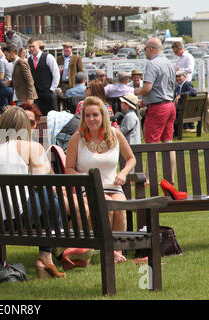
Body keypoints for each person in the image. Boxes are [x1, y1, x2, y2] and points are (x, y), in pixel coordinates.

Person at [0, 107, 66, 279]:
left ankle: (48, 255)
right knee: (50, 197)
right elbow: (42, 181)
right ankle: (51, 249)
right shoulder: (31, 147)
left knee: (46, 199)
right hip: (17, 220)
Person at [65, 96, 136, 264]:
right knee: (108, 207)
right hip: (89, 187)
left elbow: (131, 158)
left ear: (103, 115)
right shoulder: (77, 138)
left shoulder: (115, 134)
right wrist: (82, 178)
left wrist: (123, 173)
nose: (91, 119)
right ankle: (107, 249)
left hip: (113, 186)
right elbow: (68, 168)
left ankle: (117, 250)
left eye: (95, 115)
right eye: (87, 115)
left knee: (120, 208)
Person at [134, 37, 176, 182]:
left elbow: (147, 88)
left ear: (151, 49)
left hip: (158, 108)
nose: (144, 52)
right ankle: (170, 178)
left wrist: (134, 92)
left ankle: (149, 179)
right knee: (168, 142)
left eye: (145, 49)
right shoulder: (168, 63)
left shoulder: (152, 64)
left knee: (152, 144)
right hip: (170, 106)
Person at [27, 38, 60, 115]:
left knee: (52, 115)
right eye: (29, 47)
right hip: (36, 94)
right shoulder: (28, 60)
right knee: (38, 116)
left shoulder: (48, 57)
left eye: (33, 46)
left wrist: (52, 89)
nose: (31, 49)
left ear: (38, 46)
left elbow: (56, 73)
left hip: (48, 92)